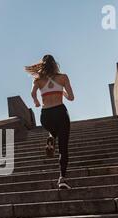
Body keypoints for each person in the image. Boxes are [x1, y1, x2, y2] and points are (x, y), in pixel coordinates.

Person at [25, 55, 75, 190]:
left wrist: (36, 101)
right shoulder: (63, 77)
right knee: (63, 148)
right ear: (55, 64)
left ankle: (51, 137)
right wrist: (63, 92)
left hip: (46, 115)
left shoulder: (38, 80)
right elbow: (71, 98)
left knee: (53, 131)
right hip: (60, 112)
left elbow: (32, 92)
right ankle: (62, 179)